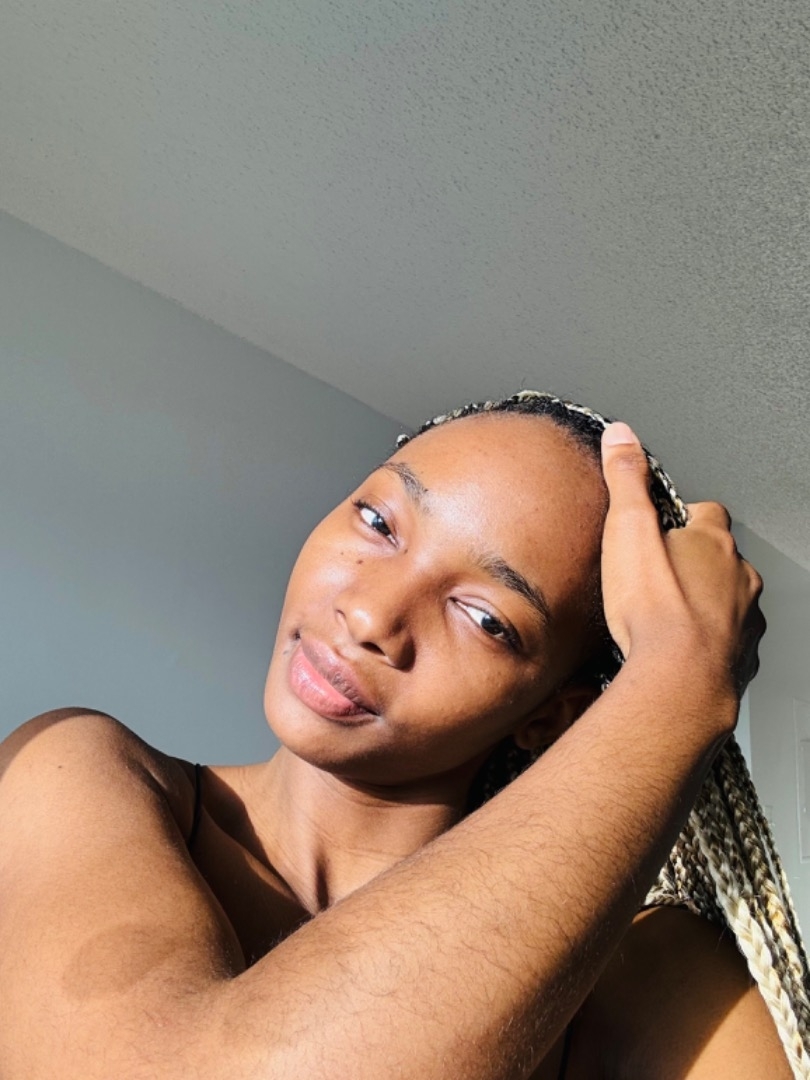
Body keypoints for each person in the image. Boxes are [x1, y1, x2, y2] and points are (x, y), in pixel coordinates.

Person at [0, 391, 804, 1079]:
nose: (371, 614)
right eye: (378, 520)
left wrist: (675, 678)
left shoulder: (642, 980)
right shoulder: (79, 774)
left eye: (484, 618)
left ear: (550, 717)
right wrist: (678, 684)